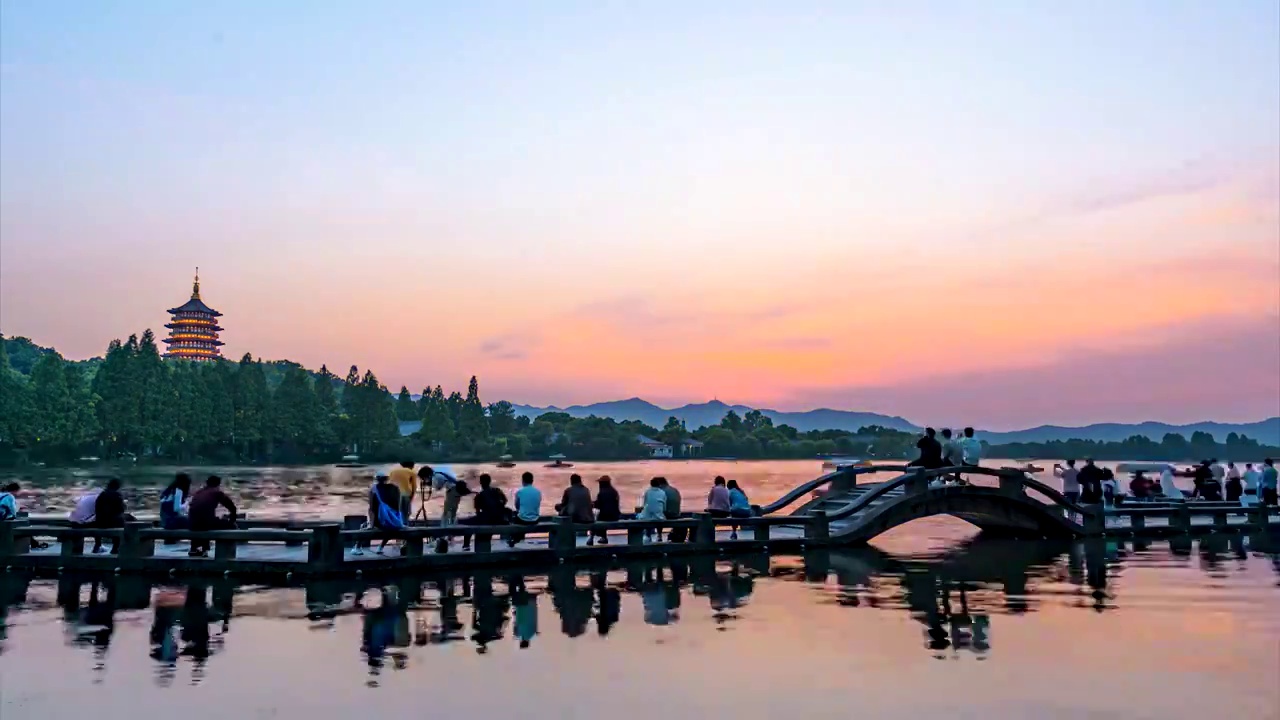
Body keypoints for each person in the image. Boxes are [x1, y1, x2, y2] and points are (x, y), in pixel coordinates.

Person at [188, 476, 238, 557]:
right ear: (218, 484)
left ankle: (195, 548)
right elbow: (232, 507)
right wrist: (232, 520)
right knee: (231, 526)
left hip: (192, 523)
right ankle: (226, 553)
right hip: (205, 523)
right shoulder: (216, 492)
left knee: (204, 521)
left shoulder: (199, 492)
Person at [360, 474, 403, 556]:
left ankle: (357, 547)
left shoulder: (374, 489)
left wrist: (371, 525)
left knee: (363, 526)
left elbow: (371, 509)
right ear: (387, 479)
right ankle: (380, 547)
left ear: (377, 480)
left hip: (379, 522)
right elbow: (398, 508)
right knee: (391, 526)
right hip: (392, 522)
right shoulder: (394, 488)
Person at [91, 478, 128, 554]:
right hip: (111, 523)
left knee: (119, 519)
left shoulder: (102, 495)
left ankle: (99, 545)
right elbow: (121, 509)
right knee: (123, 520)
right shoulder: (116, 495)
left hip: (100, 522)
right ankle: (116, 547)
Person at [509, 472, 542, 548]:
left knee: (516, 516)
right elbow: (537, 504)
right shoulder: (538, 492)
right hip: (535, 519)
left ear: (523, 480)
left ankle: (514, 539)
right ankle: (517, 538)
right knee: (522, 516)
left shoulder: (520, 492)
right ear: (532, 481)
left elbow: (517, 506)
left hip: (523, 519)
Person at [592, 476, 621, 545]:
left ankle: (593, 538)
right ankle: (603, 537)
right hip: (615, 516)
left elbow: (598, 506)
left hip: (605, 516)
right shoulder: (614, 491)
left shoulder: (601, 493)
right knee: (602, 515)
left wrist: (592, 503)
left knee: (596, 519)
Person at [637, 478, 667, 542]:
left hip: (648, 517)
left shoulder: (648, 492)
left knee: (644, 515)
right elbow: (664, 507)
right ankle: (659, 535)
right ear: (659, 485)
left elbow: (645, 504)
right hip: (659, 518)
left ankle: (648, 535)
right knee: (659, 516)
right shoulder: (662, 492)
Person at [660, 477, 685, 543]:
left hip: (666, 516)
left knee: (655, 515)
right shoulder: (674, 490)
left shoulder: (661, 491)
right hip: (676, 515)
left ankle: (658, 536)